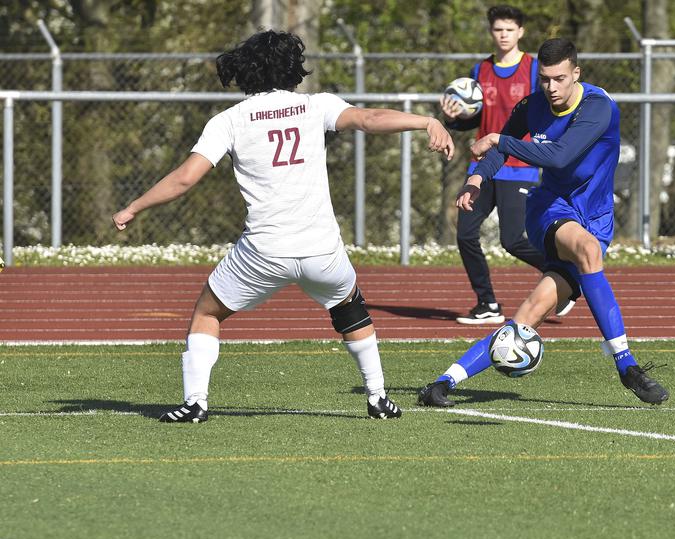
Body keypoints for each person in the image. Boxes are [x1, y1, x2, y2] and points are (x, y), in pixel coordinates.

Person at [112, 30, 454, 423]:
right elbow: (369, 119)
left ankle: (196, 403)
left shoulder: (228, 120)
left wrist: (134, 207)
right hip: (322, 250)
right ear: (293, 68)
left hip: (264, 251)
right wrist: (426, 121)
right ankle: (377, 398)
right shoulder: (315, 106)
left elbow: (186, 178)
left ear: (246, 70)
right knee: (351, 308)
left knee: (207, 314)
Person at [419, 38, 669, 407]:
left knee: (526, 319)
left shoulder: (599, 107)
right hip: (549, 209)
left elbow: (559, 155)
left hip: (595, 221)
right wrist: (476, 180)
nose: (551, 88)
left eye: (559, 79)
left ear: (576, 74)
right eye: (545, 80)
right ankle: (627, 367)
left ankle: (442, 383)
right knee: (585, 251)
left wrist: (498, 139)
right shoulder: (533, 105)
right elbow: (499, 151)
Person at [441, 5, 577, 325]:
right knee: (465, 233)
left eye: (509, 29)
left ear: (520, 32)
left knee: (513, 240)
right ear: (491, 32)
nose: (503, 35)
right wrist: (453, 117)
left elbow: (544, 113)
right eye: (497, 29)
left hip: (520, 164)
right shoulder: (480, 71)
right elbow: (473, 121)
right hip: (485, 166)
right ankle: (487, 303)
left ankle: (566, 276)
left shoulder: (534, 70)